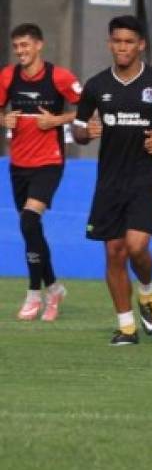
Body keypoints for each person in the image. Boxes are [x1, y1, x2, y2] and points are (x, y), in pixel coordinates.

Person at [73, 15, 152, 345]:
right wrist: (85, 132)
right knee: (113, 253)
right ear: (110, 43)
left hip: (146, 175)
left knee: (136, 247)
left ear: (141, 45)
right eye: (117, 41)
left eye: (128, 42)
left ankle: (147, 292)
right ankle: (126, 327)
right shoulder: (95, 86)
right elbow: (78, 128)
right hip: (109, 180)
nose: (122, 47)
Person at [0, 23, 81, 321]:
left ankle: (34, 293)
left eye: (25, 45)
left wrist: (58, 120)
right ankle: (55, 288)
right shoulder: (7, 76)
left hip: (49, 162)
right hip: (18, 164)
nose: (21, 51)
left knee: (30, 220)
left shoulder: (59, 76)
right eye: (17, 46)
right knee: (30, 228)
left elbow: (88, 108)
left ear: (39, 45)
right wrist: (4, 118)